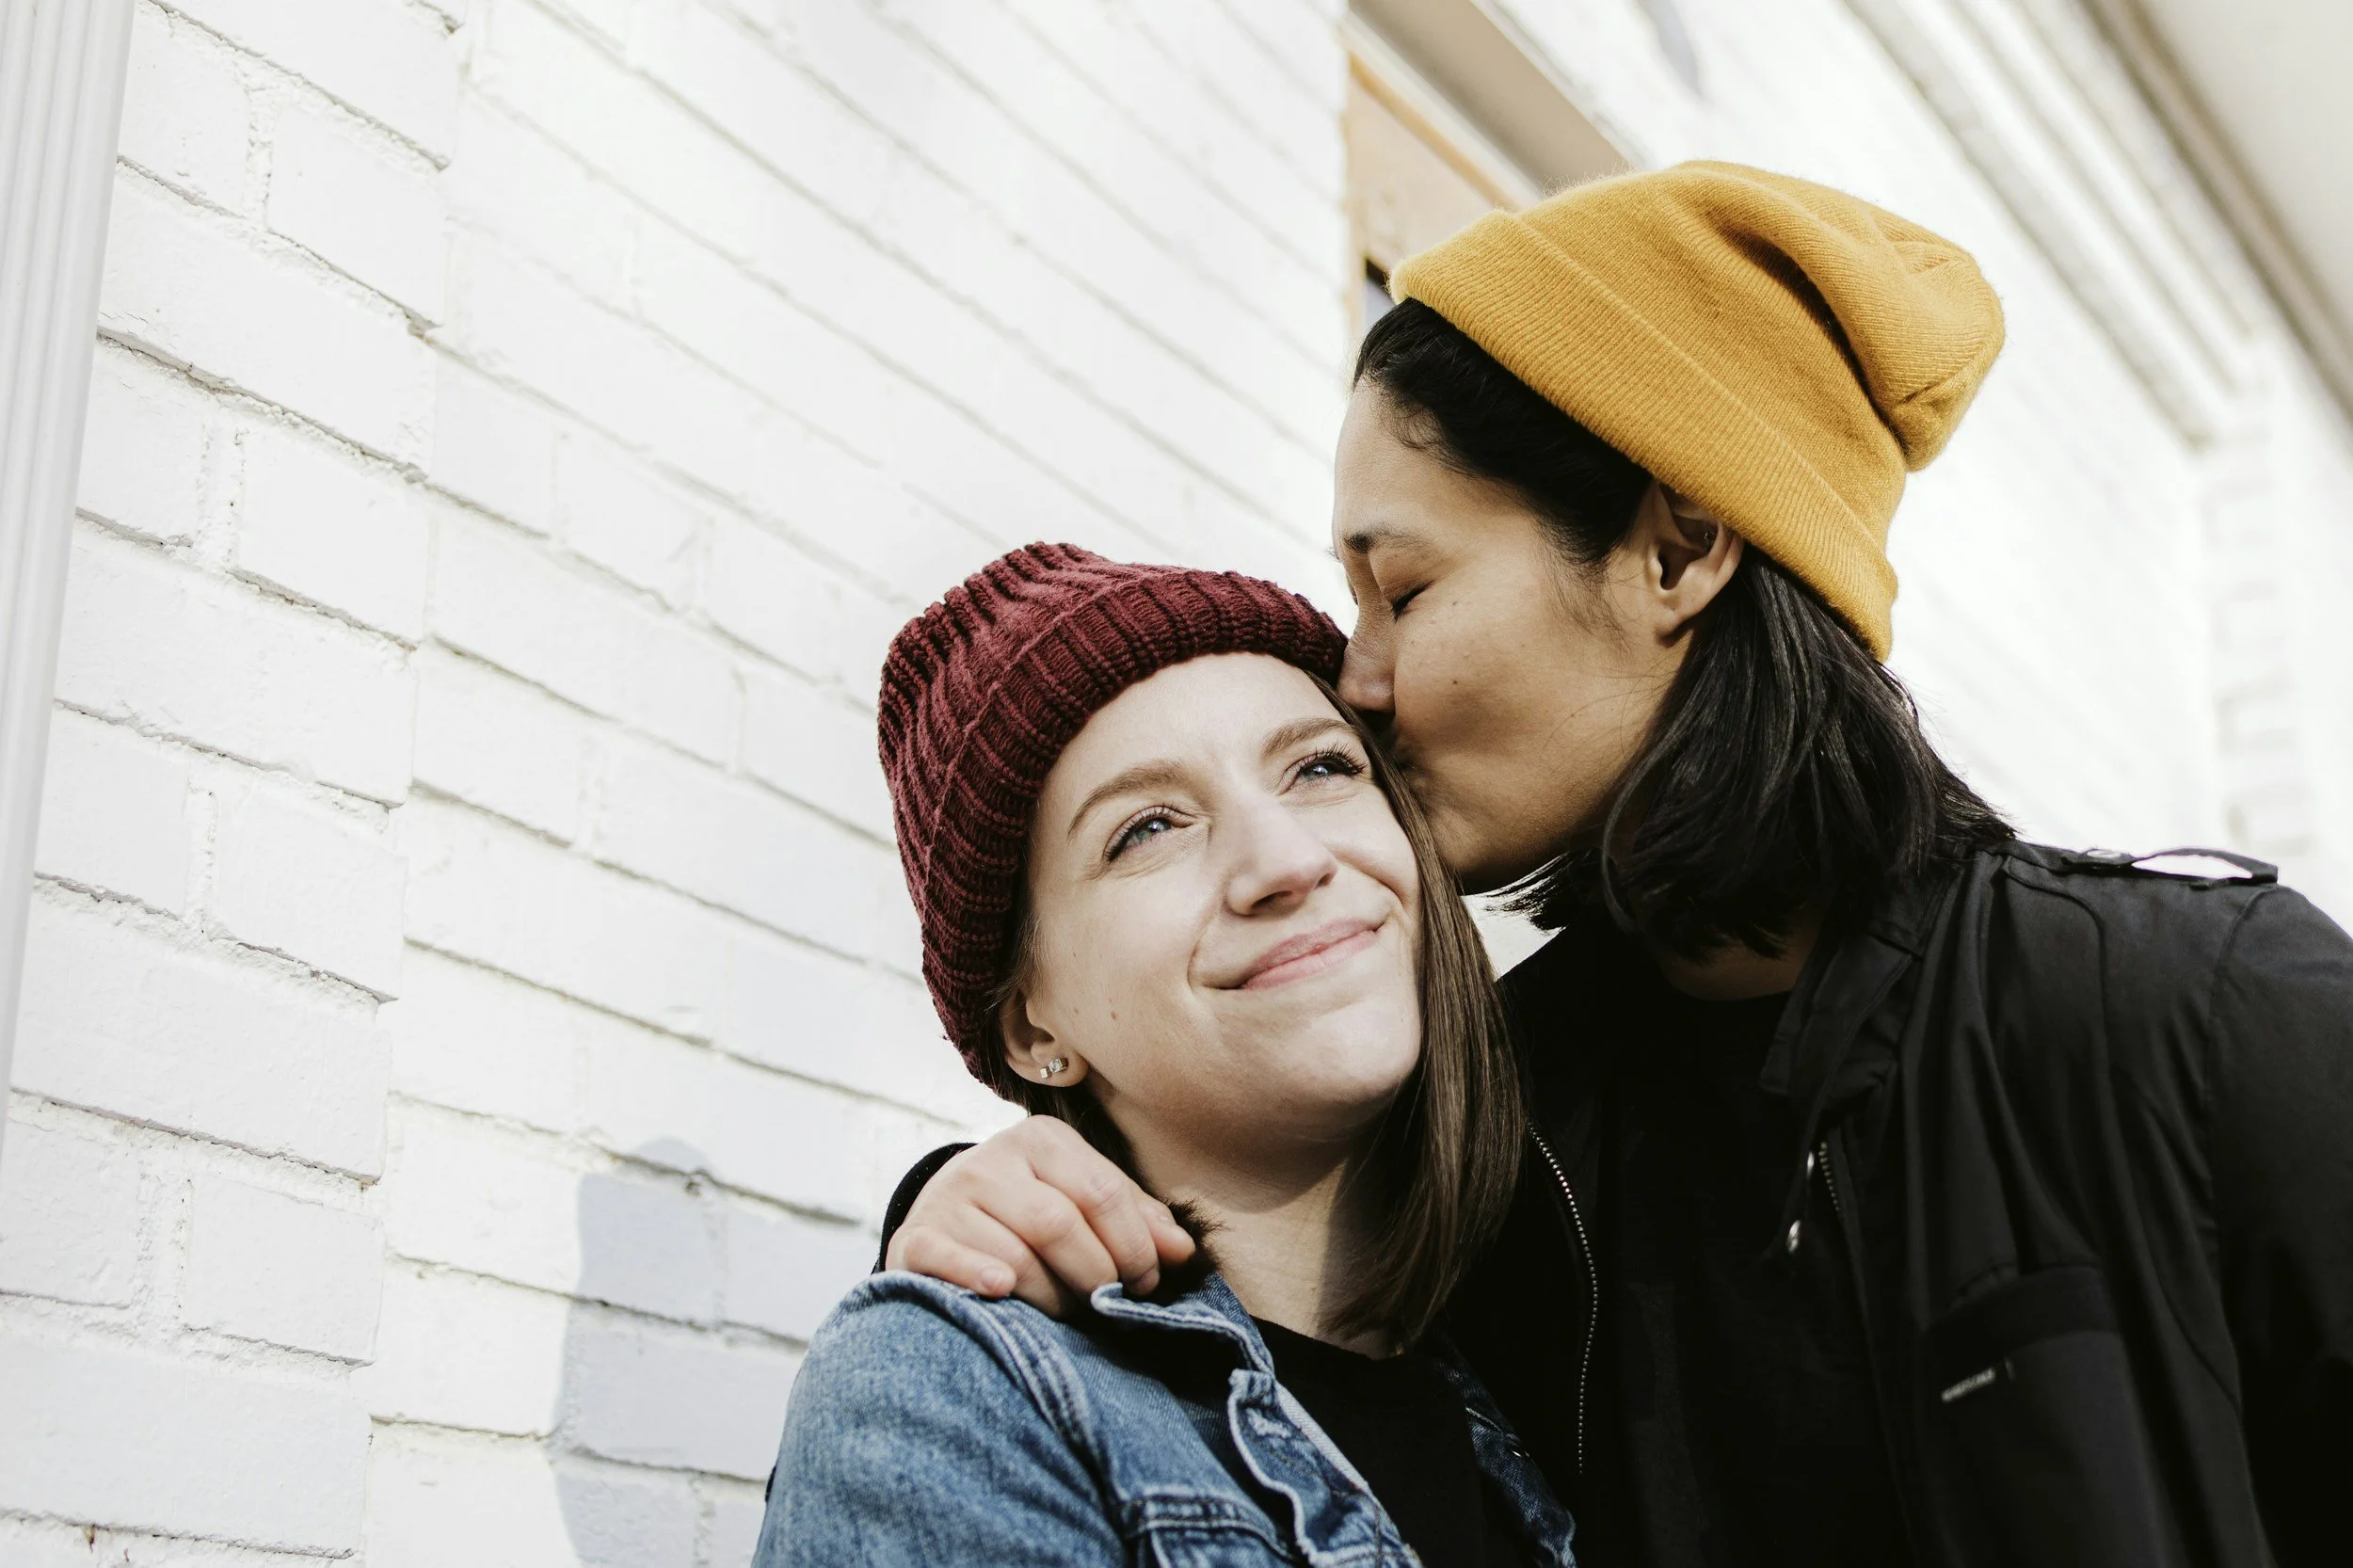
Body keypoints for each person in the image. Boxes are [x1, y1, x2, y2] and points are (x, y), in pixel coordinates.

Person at [877, 164, 2353, 1568]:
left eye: (1404, 588)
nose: (1361, 680)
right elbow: (1255, 1318)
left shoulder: (2193, 1014)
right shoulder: (1517, 1135)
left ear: (1679, 548)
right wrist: (970, 1196)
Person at [756, 545, 1576, 1567]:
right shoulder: (955, 1389)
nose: (1284, 860)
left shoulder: (1571, 1332)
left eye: (1320, 767)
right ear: (1031, 1028)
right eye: (1146, 828)